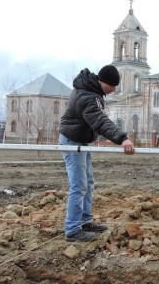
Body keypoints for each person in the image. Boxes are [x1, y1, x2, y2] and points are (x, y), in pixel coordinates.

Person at [59, 65, 135, 242]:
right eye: (112, 85)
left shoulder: (92, 91)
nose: (114, 89)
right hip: (72, 141)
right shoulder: (87, 96)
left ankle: (84, 220)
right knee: (78, 185)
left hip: (81, 140)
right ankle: (72, 229)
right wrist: (122, 138)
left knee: (88, 182)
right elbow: (100, 121)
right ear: (102, 81)